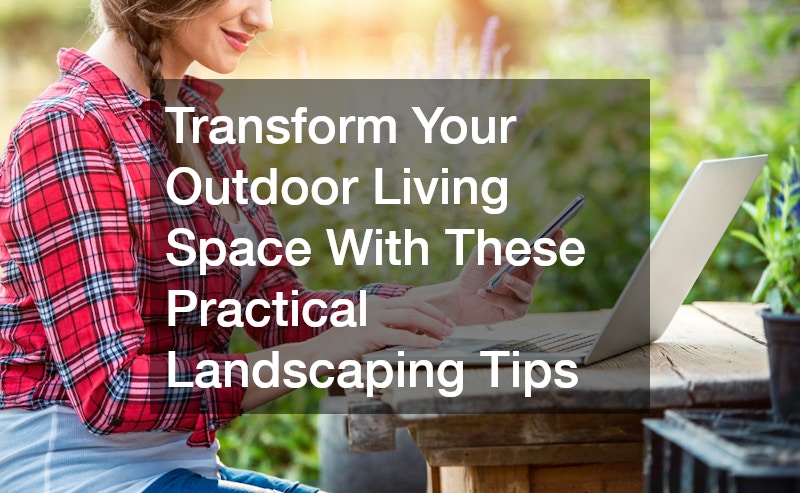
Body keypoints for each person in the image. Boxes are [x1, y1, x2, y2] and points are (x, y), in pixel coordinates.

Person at [0, 1, 564, 491]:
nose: (263, 17)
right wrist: (332, 350)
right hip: (79, 475)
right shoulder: (68, 127)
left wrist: (450, 304)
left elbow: (274, 307)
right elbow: (114, 391)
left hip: (180, 468)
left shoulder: (194, 119)